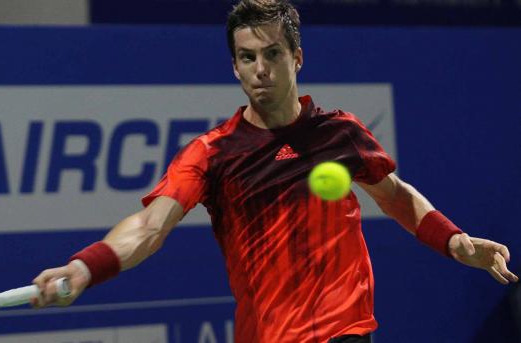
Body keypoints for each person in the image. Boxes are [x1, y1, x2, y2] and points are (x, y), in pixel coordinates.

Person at [32, 1, 519, 342]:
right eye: (247, 57)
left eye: (272, 54)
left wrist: (454, 241)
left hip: (345, 331)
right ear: (235, 69)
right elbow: (149, 226)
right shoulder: (212, 153)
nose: (260, 68)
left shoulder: (339, 132)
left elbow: (392, 194)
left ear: (297, 58)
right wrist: (85, 266)